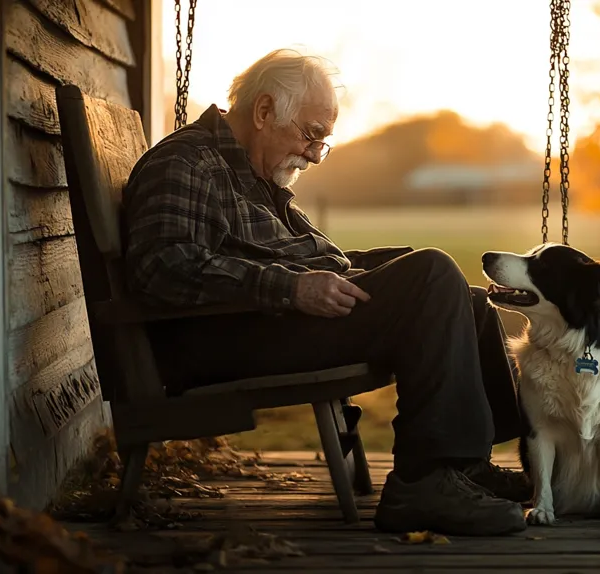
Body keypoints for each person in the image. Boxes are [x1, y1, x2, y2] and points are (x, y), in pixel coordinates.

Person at [120, 48, 531, 536]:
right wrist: (291, 288)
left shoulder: (249, 171)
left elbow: (285, 253)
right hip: (225, 334)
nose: (315, 153)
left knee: (463, 294)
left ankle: (462, 466)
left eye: (322, 140)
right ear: (265, 111)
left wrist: (354, 267)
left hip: (268, 319)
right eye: (311, 134)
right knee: (432, 275)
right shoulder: (188, 163)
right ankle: (423, 482)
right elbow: (160, 266)